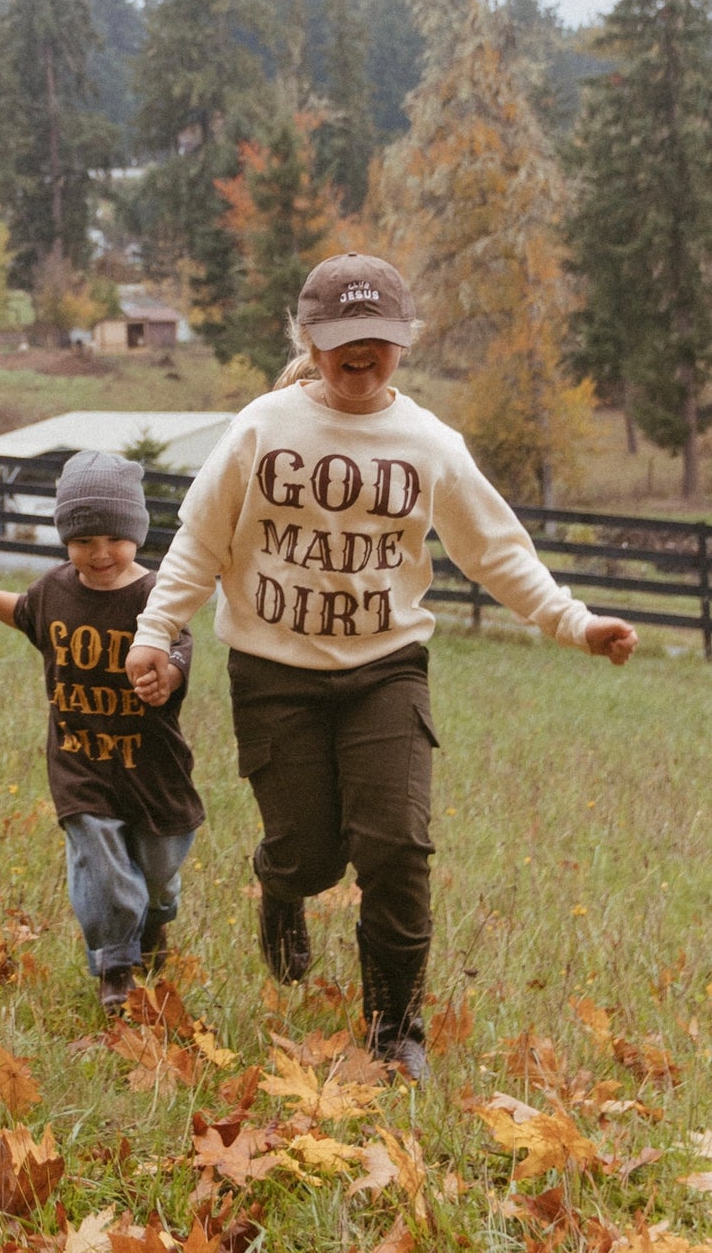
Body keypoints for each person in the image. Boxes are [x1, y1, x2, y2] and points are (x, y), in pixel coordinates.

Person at [129, 253, 637, 1080]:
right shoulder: (260, 427)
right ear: (308, 339)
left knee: (396, 847)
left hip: (384, 672)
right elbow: (199, 542)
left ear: (404, 340)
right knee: (310, 854)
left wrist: (573, 622)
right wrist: (156, 633)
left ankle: (395, 1033)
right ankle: (280, 883)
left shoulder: (428, 443)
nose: (359, 354)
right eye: (340, 339)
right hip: (273, 673)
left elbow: (495, 551)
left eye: (377, 338)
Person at [0, 450, 203, 1013]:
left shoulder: (156, 594)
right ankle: (115, 966)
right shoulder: (54, 589)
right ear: (64, 539)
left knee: (157, 872)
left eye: (112, 538)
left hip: (151, 763)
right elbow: (25, 614)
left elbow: (179, 644)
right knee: (100, 861)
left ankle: (154, 921)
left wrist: (168, 675)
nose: (99, 554)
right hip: (81, 758)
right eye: (82, 541)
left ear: (136, 531)